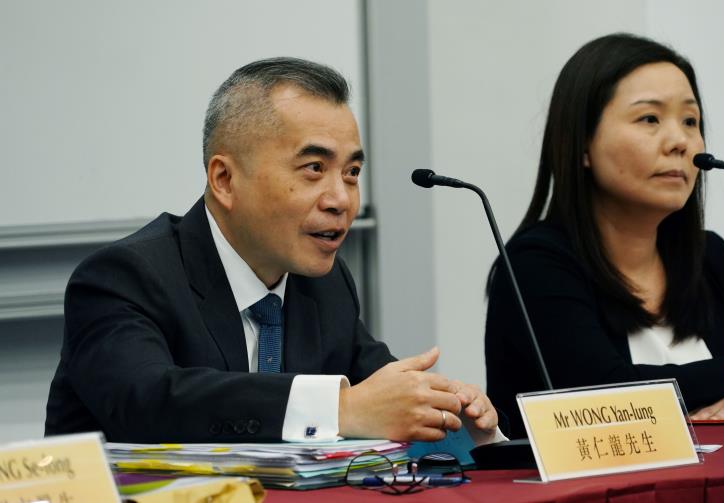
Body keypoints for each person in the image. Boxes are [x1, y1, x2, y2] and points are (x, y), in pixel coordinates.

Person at [46, 57, 501, 445]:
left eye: (352, 172)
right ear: (224, 180)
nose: (340, 199)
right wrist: (340, 409)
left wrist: (452, 419)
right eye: (314, 168)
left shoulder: (325, 285)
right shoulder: (124, 277)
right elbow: (150, 401)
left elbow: (380, 391)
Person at [485, 33, 724, 439]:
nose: (679, 142)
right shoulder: (534, 265)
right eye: (649, 119)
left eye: (691, 121)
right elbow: (599, 397)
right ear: (582, 144)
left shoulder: (708, 258)